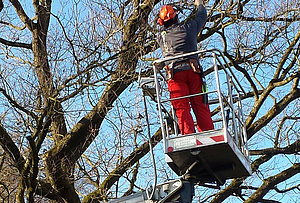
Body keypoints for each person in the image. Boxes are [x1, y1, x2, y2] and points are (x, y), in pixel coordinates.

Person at [156, 0, 214, 135]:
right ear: (176, 16)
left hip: (175, 75)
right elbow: (202, 17)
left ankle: (188, 134)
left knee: (181, 108)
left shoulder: (160, 37)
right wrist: (199, 4)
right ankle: (207, 134)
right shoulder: (189, 28)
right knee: (201, 106)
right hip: (193, 72)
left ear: (162, 22)